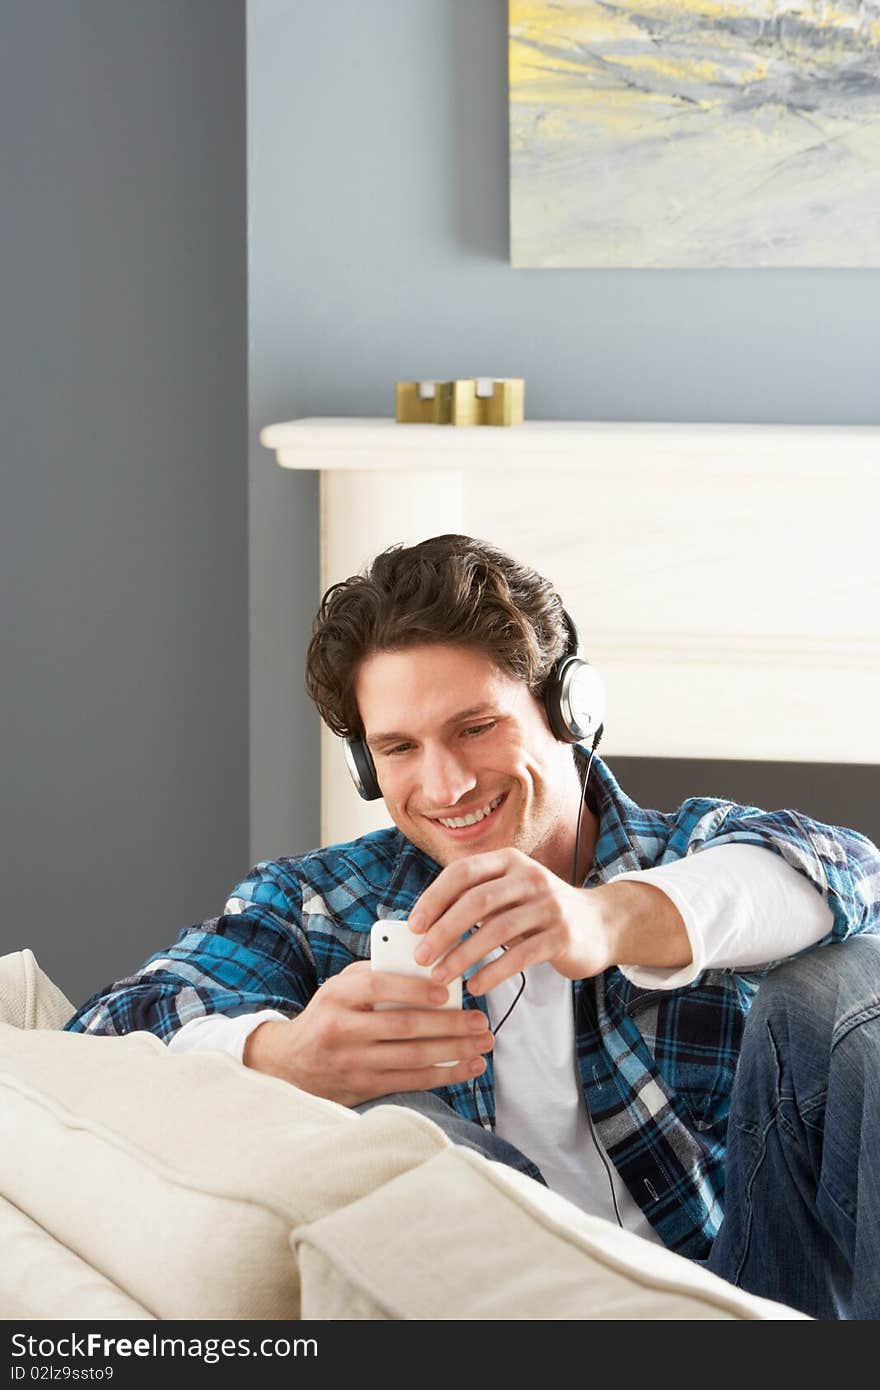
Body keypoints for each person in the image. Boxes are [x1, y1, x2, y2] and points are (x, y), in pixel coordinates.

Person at [66, 534, 880, 1319]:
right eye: (398, 748)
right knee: (407, 1131)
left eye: (475, 728)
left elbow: (852, 873)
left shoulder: (689, 853)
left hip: (757, 1299)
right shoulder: (318, 904)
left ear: (571, 707)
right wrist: (286, 1057)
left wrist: (607, 918)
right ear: (364, 765)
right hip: (505, 1308)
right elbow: (98, 1038)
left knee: (843, 981)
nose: (445, 784)